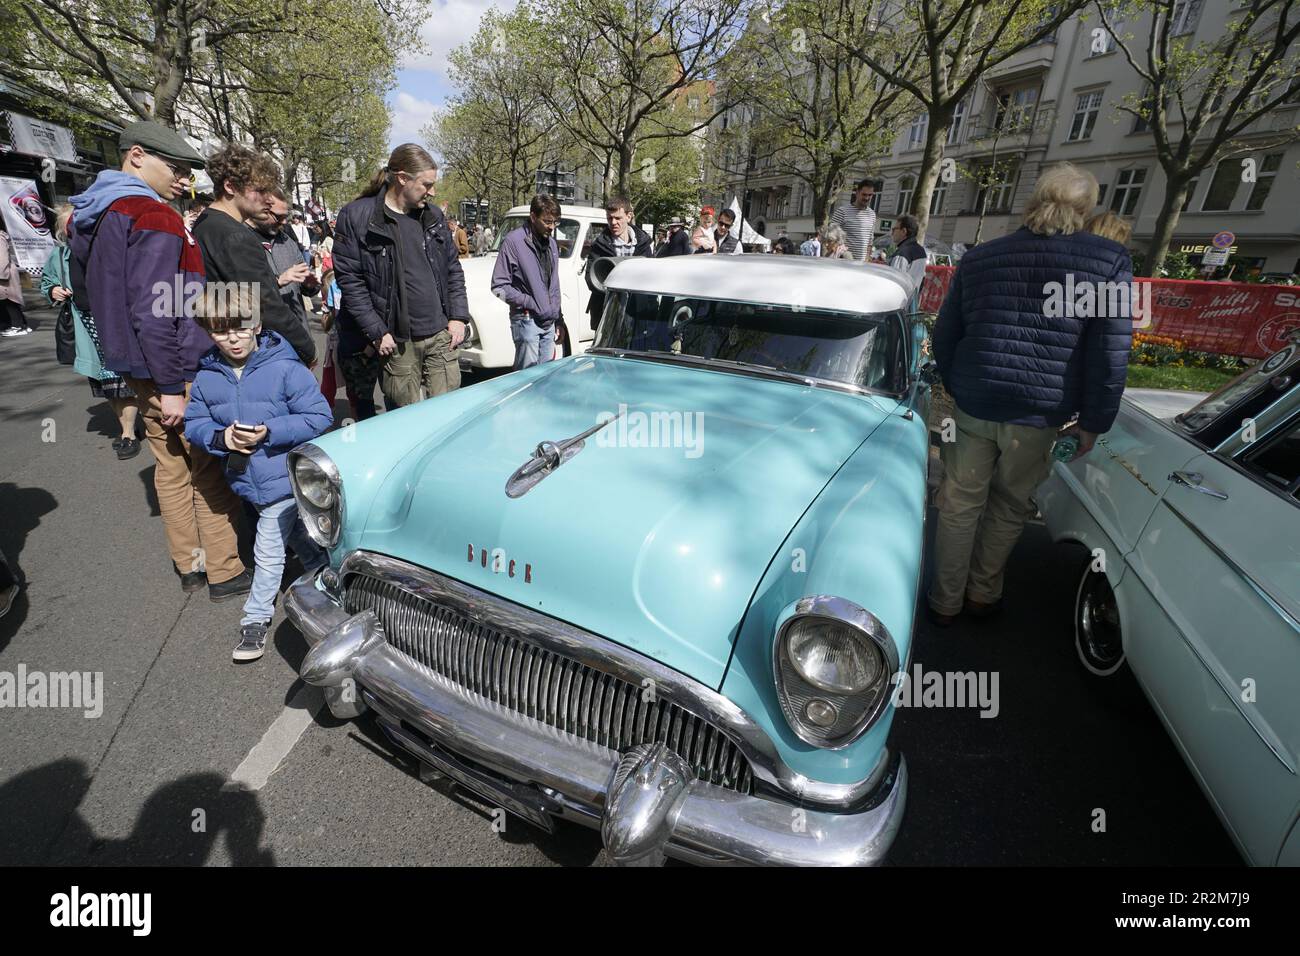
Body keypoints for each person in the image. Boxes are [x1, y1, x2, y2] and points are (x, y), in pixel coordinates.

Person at [928, 162, 1133, 626]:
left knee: (960, 502)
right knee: (1009, 504)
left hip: (976, 401)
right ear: (1086, 208)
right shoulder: (1107, 262)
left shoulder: (982, 257)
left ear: (1034, 199)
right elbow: (1110, 350)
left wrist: (959, 383)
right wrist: (1094, 420)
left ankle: (944, 602)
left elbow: (947, 332)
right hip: (1041, 410)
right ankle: (983, 595)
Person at [69, 119, 249, 599]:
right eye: (176, 167)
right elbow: (156, 309)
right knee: (208, 470)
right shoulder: (153, 215)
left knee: (170, 472)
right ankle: (225, 569)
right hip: (176, 370)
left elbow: (91, 297)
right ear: (135, 155)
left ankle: (189, 564)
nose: (184, 179)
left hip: (140, 367)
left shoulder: (100, 213)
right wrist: (172, 386)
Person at [184, 285, 332, 662]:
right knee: (299, 535)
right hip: (250, 483)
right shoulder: (206, 376)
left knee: (267, 550)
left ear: (257, 324)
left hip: (285, 479)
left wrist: (271, 431)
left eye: (240, 327)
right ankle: (327, 577)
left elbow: (320, 416)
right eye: (220, 330)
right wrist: (221, 437)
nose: (232, 338)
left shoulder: (285, 368)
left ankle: (255, 619)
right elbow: (194, 424)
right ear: (208, 331)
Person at [332, 143, 468, 417]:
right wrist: (376, 331)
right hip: (398, 341)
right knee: (405, 420)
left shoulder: (434, 216)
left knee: (448, 415)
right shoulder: (357, 216)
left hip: (441, 334)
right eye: (426, 184)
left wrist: (458, 317)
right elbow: (351, 281)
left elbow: (452, 268)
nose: (433, 192)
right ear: (403, 178)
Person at [191, 144, 317, 365]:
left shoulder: (208, 225)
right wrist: (306, 348)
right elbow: (265, 303)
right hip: (249, 350)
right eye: (260, 190)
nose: (269, 200)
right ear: (230, 187)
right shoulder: (234, 235)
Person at [42, 204, 141, 458]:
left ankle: (129, 432)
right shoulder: (60, 255)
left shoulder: (105, 248)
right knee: (104, 380)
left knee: (121, 378)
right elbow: (48, 281)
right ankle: (125, 427)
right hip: (85, 323)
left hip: (113, 321)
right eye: (68, 225)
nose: (73, 229)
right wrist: (53, 290)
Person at [492, 194, 562, 369]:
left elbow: (553, 284)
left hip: (549, 323)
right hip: (526, 320)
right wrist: (529, 302)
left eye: (555, 222)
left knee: (545, 380)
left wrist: (559, 318)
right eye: (547, 222)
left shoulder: (552, 244)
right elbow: (498, 286)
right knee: (526, 380)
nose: (552, 227)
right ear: (533, 217)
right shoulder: (513, 242)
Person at [250, 189, 313, 339]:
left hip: (299, 333)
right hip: (266, 338)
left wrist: (311, 283)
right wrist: (277, 282)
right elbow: (239, 293)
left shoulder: (287, 241)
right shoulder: (242, 242)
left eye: (286, 216)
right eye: (279, 216)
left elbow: (304, 274)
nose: (284, 221)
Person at [586, 195, 653, 330]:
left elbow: (652, 276)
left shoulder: (643, 243)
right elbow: (590, 278)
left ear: (629, 217)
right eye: (610, 218)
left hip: (638, 313)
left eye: (618, 218)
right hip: (607, 314)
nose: (613, 222)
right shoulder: (599, 245)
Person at [830, 178, 878, 262]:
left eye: (870, 195)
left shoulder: (872, 214)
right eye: (864, 194)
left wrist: (867, 260)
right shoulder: (842, 211)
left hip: (861, 265)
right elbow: (830, 238)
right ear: (857, 193)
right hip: (843, 263)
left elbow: (870, 241)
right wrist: (843, 254)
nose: (867, 198)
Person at [0, 225, 32, 337]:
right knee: (7, 301)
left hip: (5, 274)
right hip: (5, 273)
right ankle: (20, 324)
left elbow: (2, 259)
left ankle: (18, 326)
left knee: (10, 301)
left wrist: (2, 274)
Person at [887, 213, 928, 290]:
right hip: (913, 298)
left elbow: (894, 284)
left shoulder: (903, 253)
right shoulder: (921, 250)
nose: (892, 233)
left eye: (894, 229)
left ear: (904, 231)